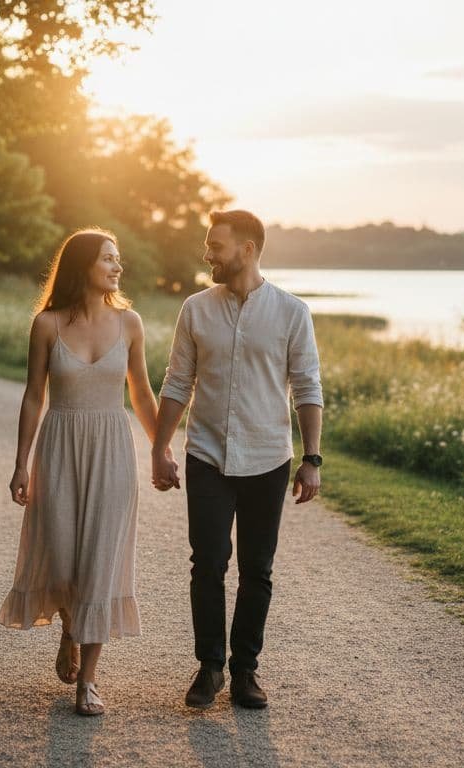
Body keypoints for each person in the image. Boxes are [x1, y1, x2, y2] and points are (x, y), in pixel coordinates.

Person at [151, 209, 324, 710]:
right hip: (206, 454)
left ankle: (246, 670)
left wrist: (311, 458)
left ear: (246, 250)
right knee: (207, 564)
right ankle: (209, 667)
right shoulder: (195, 310)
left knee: (257, 569)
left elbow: (307, 388)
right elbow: (178, 381)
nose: (208, 255)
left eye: (216, 246)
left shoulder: (292, 313)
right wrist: (161, 448)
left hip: (268, 458)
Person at [0, 229, 163, 716]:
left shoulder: (130, 323)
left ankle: (88, 681)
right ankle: (70, 628)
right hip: (59, 449)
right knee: (65, 560)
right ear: (82, 265)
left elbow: (143, 394)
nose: (117, 267)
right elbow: (33, 396)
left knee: (99, 564)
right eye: (108, 259)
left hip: (112, 452)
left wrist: (162, 449)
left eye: (119, 259)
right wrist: (20, 463)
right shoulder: (47, 325)